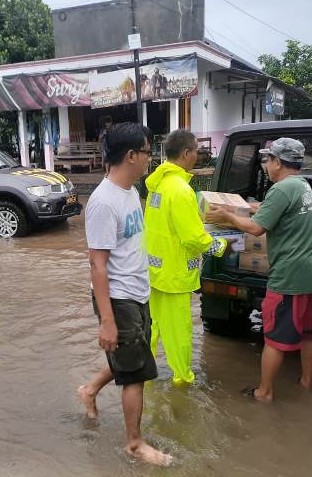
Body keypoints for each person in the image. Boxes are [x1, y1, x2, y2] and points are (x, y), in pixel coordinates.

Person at [77, 123, 172, 467]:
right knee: (136, 374)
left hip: (138, 292)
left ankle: (89, 390)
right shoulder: (103, 202)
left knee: (133, 357)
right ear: (132, 155)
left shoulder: (131, 191)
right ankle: (134, 444)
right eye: (148, 151)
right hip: (118, 300)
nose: (150, 158)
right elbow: (97, 265)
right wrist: (107, 321)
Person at [207, 138, 312, 403]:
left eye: (268, 159)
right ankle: (306, 383)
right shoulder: (302, 186)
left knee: (274, 338)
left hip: (290, 277)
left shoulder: (282, 189)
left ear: (278, 162)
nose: (265, 165)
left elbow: (255, 229)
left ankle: (264, 393)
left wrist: (226, 216)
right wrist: (240, 206)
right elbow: (269, 209)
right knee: (309, 333)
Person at [144, 130, 228, 386]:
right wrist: (221, 245)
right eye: (196, 152)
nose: (197, 157)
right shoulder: (180, 190)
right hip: (175, 275)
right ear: (185, 153)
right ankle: (182, 380)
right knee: (179, 332)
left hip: (155, 270)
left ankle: (144, 377)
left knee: (154, 327)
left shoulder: (157, 184)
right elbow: (193, 238)